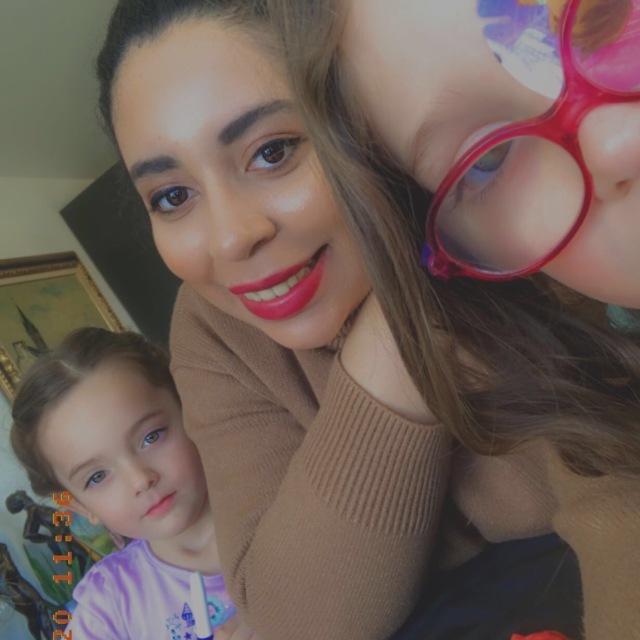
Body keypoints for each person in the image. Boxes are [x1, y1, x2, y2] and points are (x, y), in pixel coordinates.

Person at [95, 1, 636, 639]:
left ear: (369, 123)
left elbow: (616, 471)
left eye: (272, 151)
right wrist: (399, 337)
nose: (231, 238)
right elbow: (296, 621)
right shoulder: (215, 326)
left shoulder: (513, 209)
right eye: (172, 196)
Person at [9, 327, 239, 640]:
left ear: (188, 408)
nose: (140, 480)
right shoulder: (107, 608)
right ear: (79, 505)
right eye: (97, 477)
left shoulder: (285, 503)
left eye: (151, 437)